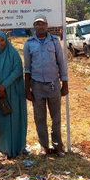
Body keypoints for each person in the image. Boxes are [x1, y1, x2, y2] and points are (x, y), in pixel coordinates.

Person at [23, 15, 69, 158]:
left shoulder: (54, 41)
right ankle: (44, 146)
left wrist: (65, 83)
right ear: (34, 26)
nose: (40, 26)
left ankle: (58, 146)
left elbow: (61, 63)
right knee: (39, 118)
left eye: (42, 24)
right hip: (36, 85)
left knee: (56, 118)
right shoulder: (29, 43)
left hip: (53, 84)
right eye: (37, 24)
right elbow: (27, 68)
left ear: (47, 26)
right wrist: (27, 89)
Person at [0, 31, 27, 158]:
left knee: (14, 119)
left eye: (2, 40)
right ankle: (1, 148)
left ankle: (15, 147)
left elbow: (18, 71)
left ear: (6, 40)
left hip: (12, 92)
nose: (0, 43)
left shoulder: (13, 53)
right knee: (0, 121)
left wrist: (3, 85)